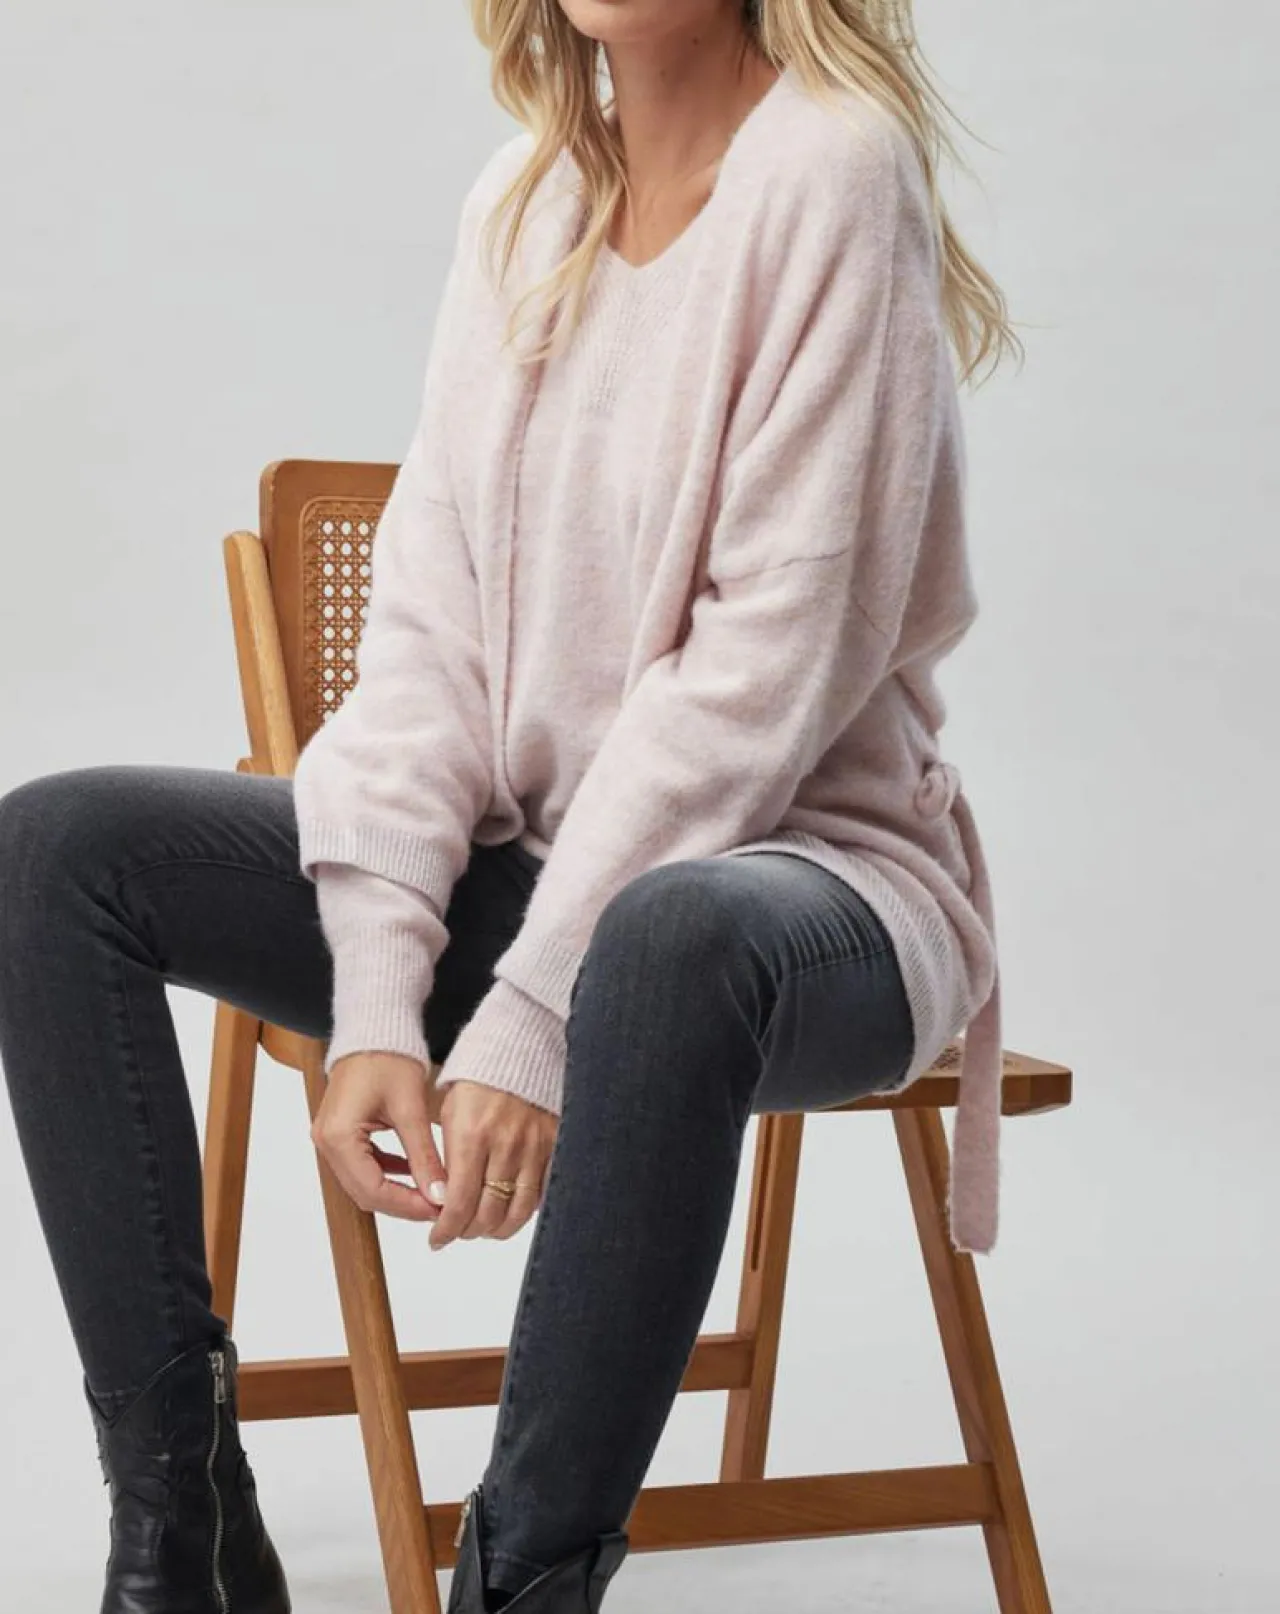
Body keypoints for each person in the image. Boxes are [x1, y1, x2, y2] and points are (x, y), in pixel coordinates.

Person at [0, 2, 1023, 1611]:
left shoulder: (836, 170)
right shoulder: (527, 201)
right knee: (55, 849)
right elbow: (428, 643)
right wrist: (380, 991)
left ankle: (522, 1586)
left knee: (665, 937)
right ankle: (183, 1529)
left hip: (809, 894)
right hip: (541, 881)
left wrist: (535, 1010)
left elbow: (766, 669)